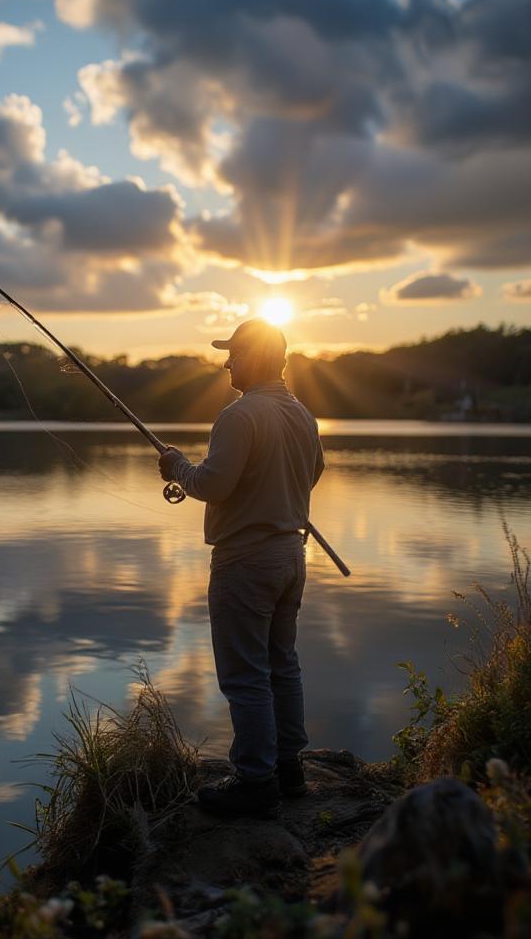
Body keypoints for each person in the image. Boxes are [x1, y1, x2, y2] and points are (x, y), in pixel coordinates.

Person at [158, 318, 324, 818]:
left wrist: (176, 469)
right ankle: (289, 769)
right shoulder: (302, 414)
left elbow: (213, 484)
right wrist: (278, 498)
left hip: (245, 561)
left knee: (246, 675)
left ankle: (256, 782)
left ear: (255, 357)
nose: (227, 362)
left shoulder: (239, 415)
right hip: (290, 555)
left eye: (233, 353)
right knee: (283, 665)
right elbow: (315, 471)